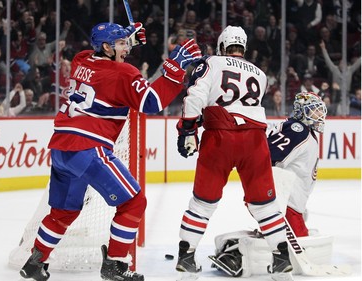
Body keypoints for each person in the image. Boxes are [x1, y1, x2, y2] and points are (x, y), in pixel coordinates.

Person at [19, 21, 201, 281]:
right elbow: (151, 103)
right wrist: (173, 68)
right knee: (134, 202)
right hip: (89, 147)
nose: (126, 48)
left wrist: (126, 40)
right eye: (121, 44)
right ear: (106, 46)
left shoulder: (82, 61)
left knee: (64, 212)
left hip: (61, 149)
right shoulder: (122, 73)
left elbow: (102, 60)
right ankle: (115, 264)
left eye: (126, 43)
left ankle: (35, 261)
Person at [175, 25, 293, 281]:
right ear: (244, 47)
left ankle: (186, 258)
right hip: (254, 140)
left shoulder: (212, 62)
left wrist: (187, 129)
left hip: (220, 137)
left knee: (203, 203)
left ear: (221, 46)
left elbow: (195, 96)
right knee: (264, 205)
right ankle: (281, 259)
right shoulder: (261, 74)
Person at [208, 91, 328, 277]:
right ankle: (235, 256)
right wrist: (271, 201)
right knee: (295, 247)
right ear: (301, 111)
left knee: (292, 240)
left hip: (287, 203)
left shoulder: (302, 130)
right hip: (281, 203)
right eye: (314, 111)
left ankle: (231, 246)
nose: (319, 116)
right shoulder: (298, 130)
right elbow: (269, 155)